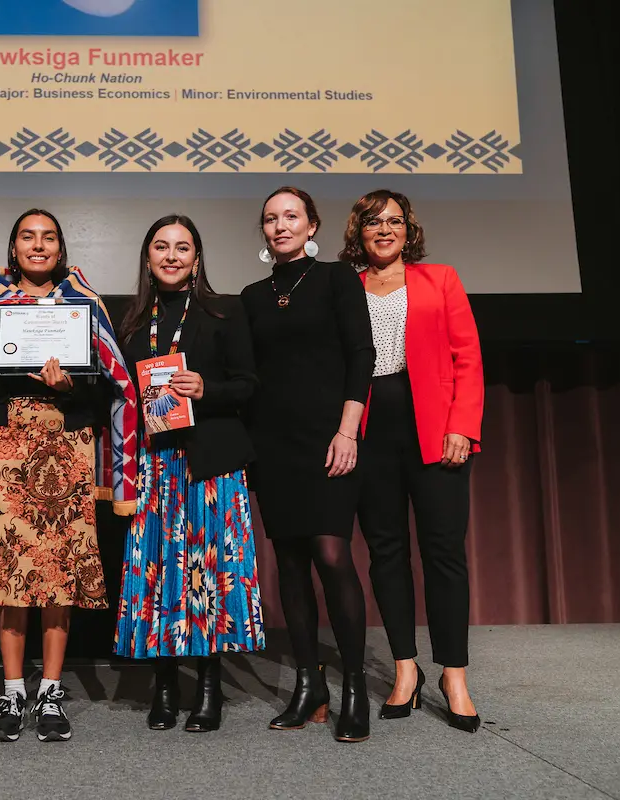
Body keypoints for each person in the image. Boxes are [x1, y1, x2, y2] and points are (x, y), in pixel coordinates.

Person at [0, 209, 138, 743]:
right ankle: (12, 691)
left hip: (68, 449)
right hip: (8, 449)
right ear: (13, 249)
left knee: (58, 577)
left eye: (48, 237)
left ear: (60, 249)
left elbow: (110, 389)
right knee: (12, 577)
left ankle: (50, 692)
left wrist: (71, 385)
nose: (38, 245)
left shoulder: (83, 306)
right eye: (27, 237)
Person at [114, 214, 264, 733]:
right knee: (158, 576)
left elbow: (249, 384)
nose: (172, 256)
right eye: (161, 246)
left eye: (182, 247)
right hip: (153, 466)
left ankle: (208, 687)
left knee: (207, 577)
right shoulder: (130, 323)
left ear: (196, 257)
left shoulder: (225, 313)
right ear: (148, 257)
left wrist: (208, 390)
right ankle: (163, 686)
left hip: (209, 464)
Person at [341, 189, 484, 733]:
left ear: (409, 230)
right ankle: (405, 668)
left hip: (435, 429)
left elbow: (468, 359)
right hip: (370, 429)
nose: (384, 229)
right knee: (385, 552)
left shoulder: (440, 279)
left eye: (394, 221)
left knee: (444, 552)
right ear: (359, 231)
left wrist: (460, 426)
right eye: (373, 222)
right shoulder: (345, 287)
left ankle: (454, 674)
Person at [241, 186, 375, 743]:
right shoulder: (251, 295)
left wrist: (348, 431)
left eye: (290, 216)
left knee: (330, 552)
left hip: (328, 438)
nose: (279, 226)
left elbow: (361, 356)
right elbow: (249, 376)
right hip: (273, 444)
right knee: (290, 562)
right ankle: (309, 686)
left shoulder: (337, 278)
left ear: (311, 224)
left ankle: (355, 690)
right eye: (270, 218)